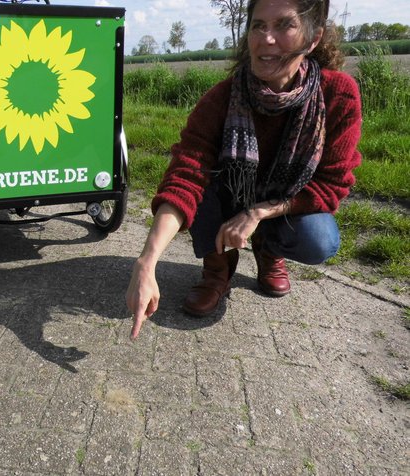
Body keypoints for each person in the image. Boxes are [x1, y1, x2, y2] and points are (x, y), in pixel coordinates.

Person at [125, 0, 362, 340]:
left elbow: (331, 184)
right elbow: (184, 174)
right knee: (201, 184)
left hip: (283, 203)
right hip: (230, 196)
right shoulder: (222, 98)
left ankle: (269, 249)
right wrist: (147, 262)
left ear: (312, 39)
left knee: (318, 240)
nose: (266, 38)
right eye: (258, 26)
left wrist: (258, 213)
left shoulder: (338, 94)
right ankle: (218, 266)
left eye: (284, 25)